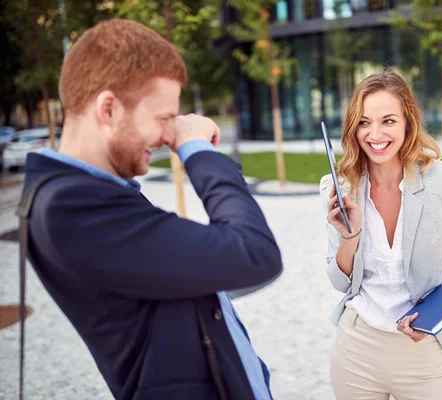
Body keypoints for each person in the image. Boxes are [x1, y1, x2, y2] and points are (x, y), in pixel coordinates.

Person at [22, 19, 282, 400]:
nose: (169, 135)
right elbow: (254, 253)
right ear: (108, 109)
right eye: (163, 118)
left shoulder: (88, 195)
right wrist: (199, 153)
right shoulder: (71, 208)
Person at [320, 70, 442, 399]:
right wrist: (349, 238)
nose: (375, 134)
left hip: (420, 349)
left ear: (408, 122)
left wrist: (435, 319)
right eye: (364, 122)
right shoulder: (340, 188)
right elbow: (340, 283)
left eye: (388, 121)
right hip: (355, 350)